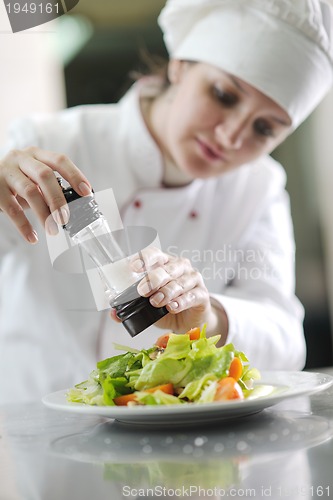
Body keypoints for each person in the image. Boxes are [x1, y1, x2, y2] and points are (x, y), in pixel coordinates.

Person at [0, 0, 332, 404]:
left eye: (264, 128)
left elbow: (286, 342)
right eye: (224, 95)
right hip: (31, 433)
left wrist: (206, 315)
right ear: (180, 65)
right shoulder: (54, 144)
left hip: (169, 445)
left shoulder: (258, 187)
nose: (231, 137)